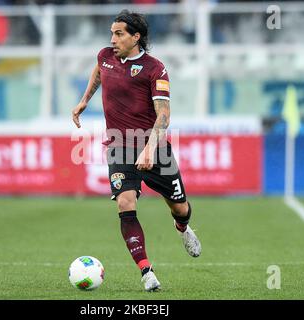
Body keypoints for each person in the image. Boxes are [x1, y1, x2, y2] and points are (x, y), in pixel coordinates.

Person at [71, 9, 201, 292]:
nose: (113, 39)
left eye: (119, 33)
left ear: (136, 37)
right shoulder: (105, 56)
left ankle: (183, 228)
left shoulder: (155, 68)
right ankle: (147, 272)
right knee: (125, 203)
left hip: (154, 147)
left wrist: (149, 149)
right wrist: (84, 100)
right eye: (112, 33)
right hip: (118, 145)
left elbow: (164, 115)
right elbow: (98, 72)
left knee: (179, 206)